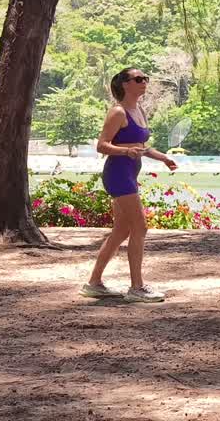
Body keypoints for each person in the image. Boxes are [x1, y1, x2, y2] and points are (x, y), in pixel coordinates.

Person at [81, 68, 178, 302]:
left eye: (146, 78)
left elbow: (141, 146)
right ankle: (137, 288)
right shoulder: (118, 112)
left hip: (130, 174)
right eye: (138, 79)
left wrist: (163, 157)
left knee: (122, 230)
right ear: (125, 84)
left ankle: (94, 283)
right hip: (117, 174)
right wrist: (126, 151)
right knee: (140, 227)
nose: (144, 82)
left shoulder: (140, 110)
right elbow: (102, 145)